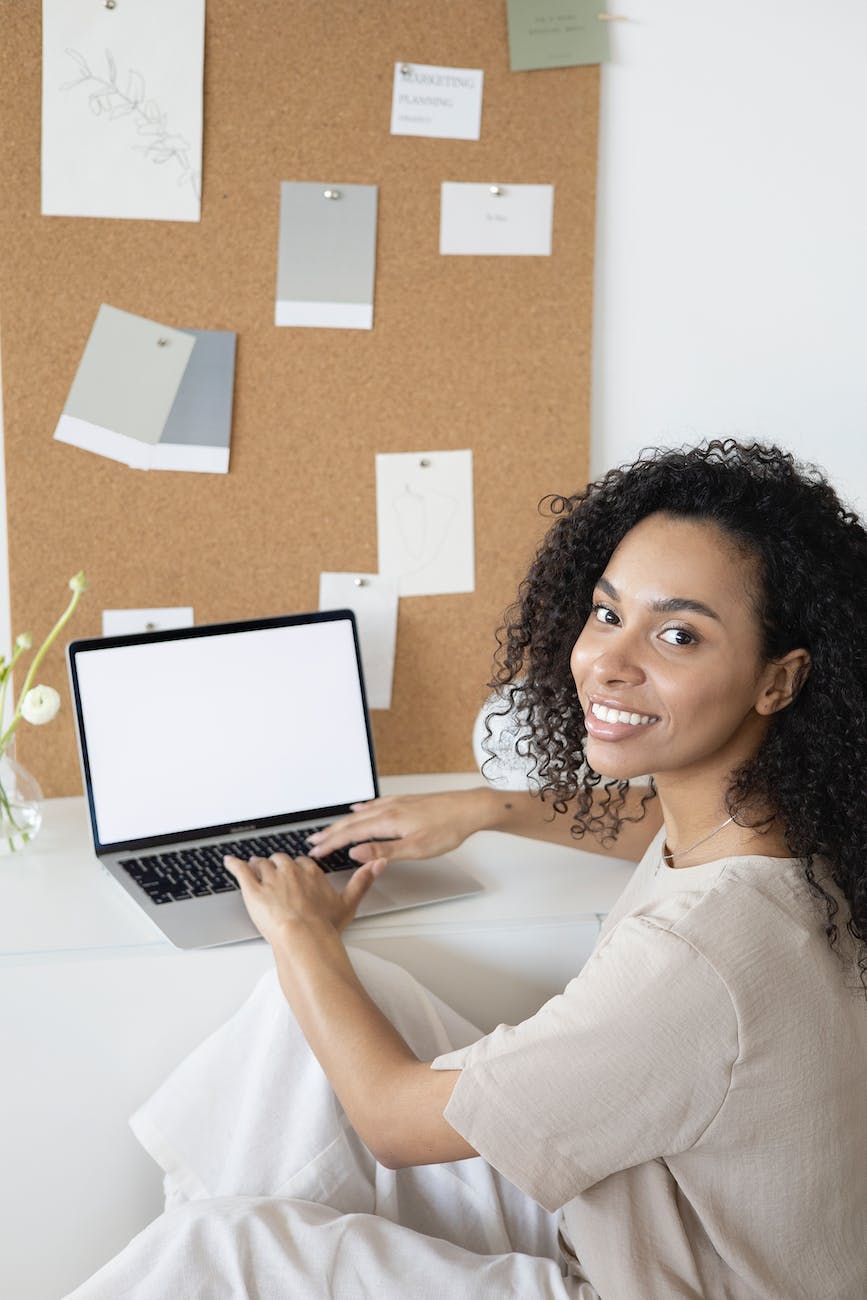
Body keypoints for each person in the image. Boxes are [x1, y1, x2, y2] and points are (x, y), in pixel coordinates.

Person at [66, 440, 867, 1299]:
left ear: (778, 681)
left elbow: (392, 1124)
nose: (608, 659)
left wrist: (302, 931)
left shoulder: (700, 956)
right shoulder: (789, 833)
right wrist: (484, 808)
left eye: (676, 634)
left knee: (220, 1246)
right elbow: (652, 828)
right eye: (606, 613)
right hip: (637, 1207)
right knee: (324, 1015)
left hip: (640, 1280)